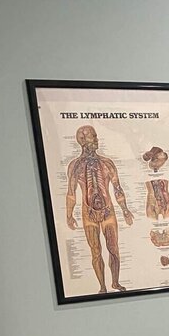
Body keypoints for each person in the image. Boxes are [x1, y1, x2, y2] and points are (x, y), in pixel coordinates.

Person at [66, 125, 134, 293]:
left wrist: (125, 209)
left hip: (108, 211)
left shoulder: (107, 163)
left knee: (113, 248)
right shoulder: (75, 166)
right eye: (92, 137)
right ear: (82, 140)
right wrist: (69, 215)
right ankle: (102, 286)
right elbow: (71, 192)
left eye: (96, 136)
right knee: (96, 251)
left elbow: (117, 188)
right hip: (88, 213)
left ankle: (115, 282)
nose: (96, 140)